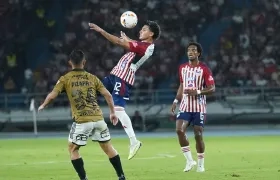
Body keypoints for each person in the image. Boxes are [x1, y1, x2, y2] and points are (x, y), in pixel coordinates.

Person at [38, 50, 126, 180]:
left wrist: (43, 105)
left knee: (73, 149)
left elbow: (52, 95)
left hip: (82, 121)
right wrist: (112, 112)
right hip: (98, 119)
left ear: (70, 63)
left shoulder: (65, 79)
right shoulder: (92, 77)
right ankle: (121, 176)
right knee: (108, 148)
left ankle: (84, 178)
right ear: (84, 62)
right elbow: (107, 94)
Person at [88, 20, 161, 160]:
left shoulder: (145, 46)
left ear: (151, 34)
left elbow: (118, 42)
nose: (141, 31)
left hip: (123, 78)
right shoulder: (143, 45)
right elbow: (132, 43)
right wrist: (128, 39)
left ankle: (134, 141)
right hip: (114, 76)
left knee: (119, 110)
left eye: (144, 29)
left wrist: (101, 31)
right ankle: (96, 128)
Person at [171, 42, 215, 173]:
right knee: (179, 130)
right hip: (185, 106)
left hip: (199, 107)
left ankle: (201, 164)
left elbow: (212, 88)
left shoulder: (204, 69)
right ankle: (189, 161)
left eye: (193, 50)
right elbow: (182, 85)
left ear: (198, 53)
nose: (190, 52)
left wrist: (198, 92)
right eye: (189, 50)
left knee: (198, 134)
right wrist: (175, 100)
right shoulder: (182, 68)